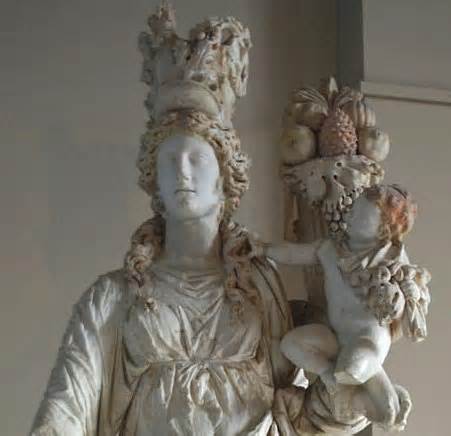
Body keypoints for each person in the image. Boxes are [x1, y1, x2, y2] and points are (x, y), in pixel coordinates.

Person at [30, 110, 372, 435]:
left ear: (224, 180)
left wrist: (354, 384)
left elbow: (295, 403)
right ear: (155, 184)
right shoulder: (113, 294)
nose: (182, 171)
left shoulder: (260, 284)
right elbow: (66, 407)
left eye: (197, 159)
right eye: (169, 161)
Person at [258, 185, 430, 431]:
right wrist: (263, 249)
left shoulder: (392, 260)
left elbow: (410, 308)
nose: (350, 216)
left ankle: (386, 398)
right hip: (336, 337)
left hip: (367, 341)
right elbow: (294, 254)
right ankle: (335, 377)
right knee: (291, 344)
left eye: (360, 215)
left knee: (352, 370)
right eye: (353, 210)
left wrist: (401, 301)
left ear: (382, 229)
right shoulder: (330, 249)